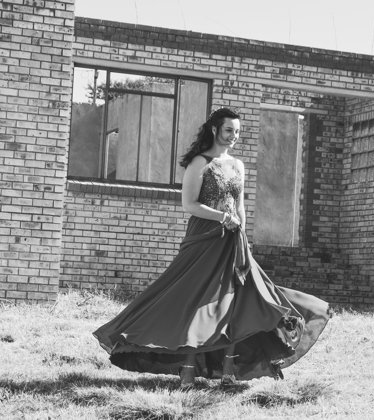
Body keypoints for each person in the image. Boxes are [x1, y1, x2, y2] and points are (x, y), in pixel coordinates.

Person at [93, 107, 330, 388]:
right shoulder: (199, 162)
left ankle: (229, 371)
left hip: (233, 242)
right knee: (197, 303)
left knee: (235, 303)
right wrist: (222, 218)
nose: (233, 136)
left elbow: (240, 207)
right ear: (215, 129)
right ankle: (187, 371)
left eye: (237, 131)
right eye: (229, 130)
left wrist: (243, 237)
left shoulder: (238, 165)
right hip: (204, 240)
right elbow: (189, 204)